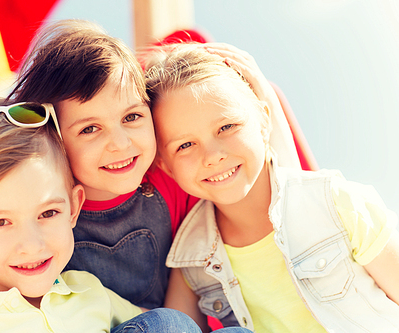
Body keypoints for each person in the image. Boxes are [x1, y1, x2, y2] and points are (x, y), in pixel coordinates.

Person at [5, 20, 299, 314]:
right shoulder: (41, 206)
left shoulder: (173, 174)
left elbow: (291, 201)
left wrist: (266, 99)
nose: (120, 144)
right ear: (54, 137)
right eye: (90, 129)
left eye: (131, 117)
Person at [144, 43, 399, 332]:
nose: (213, 155)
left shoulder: (338, 203)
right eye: (185, 145)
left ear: (265, 122)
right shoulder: (191, 259)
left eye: (226, 127)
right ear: (165, 165)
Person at [0, 98, 204, 332]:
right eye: (0, 222)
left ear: (74, 207)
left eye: (48, 213)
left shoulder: (88, 291)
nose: (32, 245)